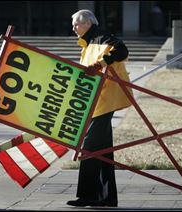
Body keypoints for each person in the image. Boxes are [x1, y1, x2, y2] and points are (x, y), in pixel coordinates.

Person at [66, 9, 132, 207]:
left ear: (87, 24)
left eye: (76, 24)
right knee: (102, 150)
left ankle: (88, 195)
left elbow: (122, 51)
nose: (73, 28)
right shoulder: (87, 45)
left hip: (106, 100)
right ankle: (107, 198)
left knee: (89, 147)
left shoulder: (102, 38)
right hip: (98, 103)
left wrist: (101, 63)